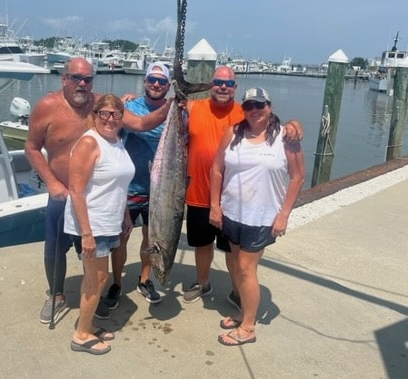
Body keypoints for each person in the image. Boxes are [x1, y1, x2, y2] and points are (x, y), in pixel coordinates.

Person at [25, 57, 171, 324]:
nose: (82, 84)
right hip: (64, 193)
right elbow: (32, 148)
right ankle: (57, 296)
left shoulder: (104, 106)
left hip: (97, 199)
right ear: (64, 79)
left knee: (94, 254)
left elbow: (140, 124)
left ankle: (91, 299)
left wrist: (169, 107)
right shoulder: (47, 106)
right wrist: (52, 183)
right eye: (76, 78)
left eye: (88, 79)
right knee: (55, 249)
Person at [182, 66, 303, 307]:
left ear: (235, 88)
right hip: (198, 193)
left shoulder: (245, 111)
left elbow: (277, 126)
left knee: (233, 253)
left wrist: (294, 123)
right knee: (202, 245)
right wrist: (127, 100)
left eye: (228, 84)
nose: (223, 87)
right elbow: (166, 104)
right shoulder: (193, 107)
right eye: (218, 82)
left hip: (233, 202)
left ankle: (239, 291)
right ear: (210, 84)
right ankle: (203, 282)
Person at [209, 87, 305, 346]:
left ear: (269, 107)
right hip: (231, 212)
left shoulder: (285, 136)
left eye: (259, 105)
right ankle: (243, 312)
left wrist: (284, 215)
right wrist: (215, 206)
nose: (254, 110)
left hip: (261, 217)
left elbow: (297, 178)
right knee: (233, 264)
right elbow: (217, 170)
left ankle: (249, 327)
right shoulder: (233, 133)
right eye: (249, 106)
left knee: (245, 268)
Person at [64, 94, 134, 355]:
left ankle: (89, 323)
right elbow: (76, 190)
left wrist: (125, 215)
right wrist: (86, 234)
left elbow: (119, 184)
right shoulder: (89, 143)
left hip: (110, 221)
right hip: (92, 224)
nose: (110, 119)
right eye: (104, 113)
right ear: (94, 116)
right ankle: (81, 335)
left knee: (95, 278)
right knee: (98, 278)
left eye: (116, 114)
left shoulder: (115, 142)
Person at [103, 62, 171, 308]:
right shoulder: (129, 107)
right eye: (152, 79)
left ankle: (145, 279)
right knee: (122, 236)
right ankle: (117, 283)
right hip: (130, 188)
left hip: (160, 193)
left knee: (150, 238)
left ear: (168, 85)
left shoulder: (177, 112)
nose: (156, 84)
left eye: (161, 81)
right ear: (144, 82)